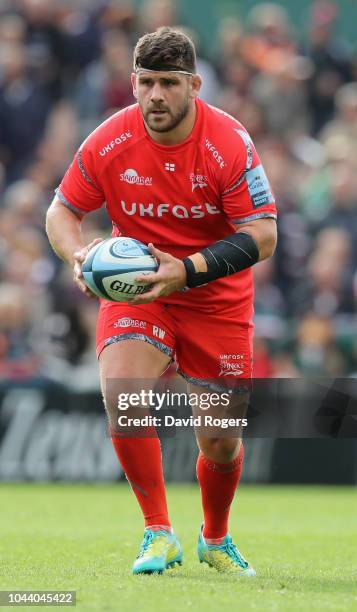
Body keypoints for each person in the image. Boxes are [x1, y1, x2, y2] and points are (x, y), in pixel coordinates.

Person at [46, 27, 277, 576]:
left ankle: (214, 538)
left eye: (169, 83)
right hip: (139, 293)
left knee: (220, 440)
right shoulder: (108, 141)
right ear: (131, 83)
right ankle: (157, 531)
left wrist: (188, 271)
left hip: (215, 299)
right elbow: (61, 212)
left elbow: (264, 235)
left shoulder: (228, 143)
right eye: (146, 83)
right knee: (123, 393)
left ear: (194, 84)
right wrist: (78, 257)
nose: (155, 96)